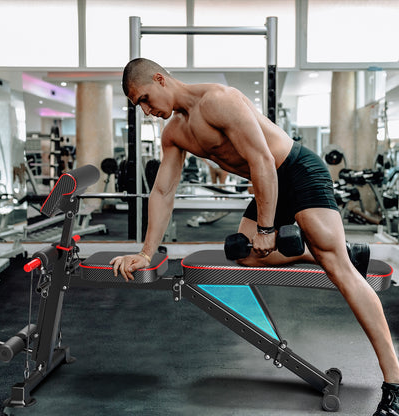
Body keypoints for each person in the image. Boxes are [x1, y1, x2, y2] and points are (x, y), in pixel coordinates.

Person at [112, 58, 399, 415]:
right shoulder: (175, 133)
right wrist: (146, 252)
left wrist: (266, 229)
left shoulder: (219, 100)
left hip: (295, 170)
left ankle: (394, 386)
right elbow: (163, 191)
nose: (145, 110)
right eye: (138, 105)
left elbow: (262, 159)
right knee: (245, 254)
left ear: (160, 79)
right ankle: (313, 250)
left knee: (338, 267)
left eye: (143, 99)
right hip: (268, 184)